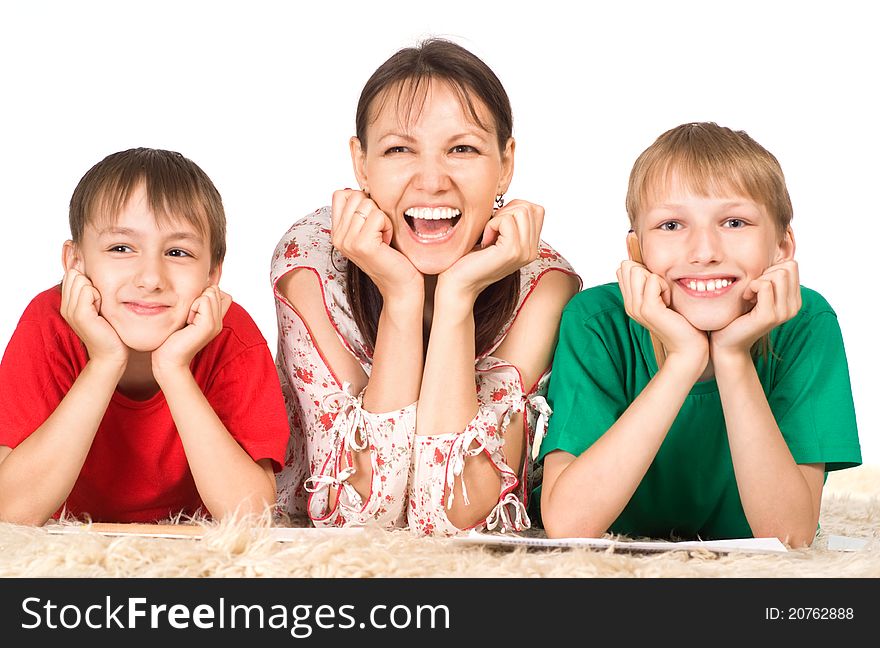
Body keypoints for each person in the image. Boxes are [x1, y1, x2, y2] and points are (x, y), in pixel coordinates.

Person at [272, 39, 581, 536]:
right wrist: (400, 296)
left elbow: (456, 520)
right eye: (399, 149)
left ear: (505, 164)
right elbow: (355, 517)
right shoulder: (312, 261)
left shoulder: (541, 284)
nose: (432, 180)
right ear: (361, 164)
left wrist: (459, 296)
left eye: (462, 149)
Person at [539, 122, 861, 547]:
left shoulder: (806, 323)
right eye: (671, 225)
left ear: (782, 247)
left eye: (734, 221)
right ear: (637, 253)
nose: (705, 252)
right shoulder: (595, 323)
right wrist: (684, 361)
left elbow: (790, 536)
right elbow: (568, 524)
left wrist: (731, 356)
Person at [0, 148, 290, 525]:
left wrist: (174, 369)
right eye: (121, 248)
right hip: (69, 543)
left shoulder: (231, 336)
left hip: (186, 549)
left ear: (213, 274)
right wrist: (104, 362)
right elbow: (9, 514)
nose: (151, 279)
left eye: (178, 252)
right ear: (76, 262)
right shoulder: (48, 324)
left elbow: (250, 520)